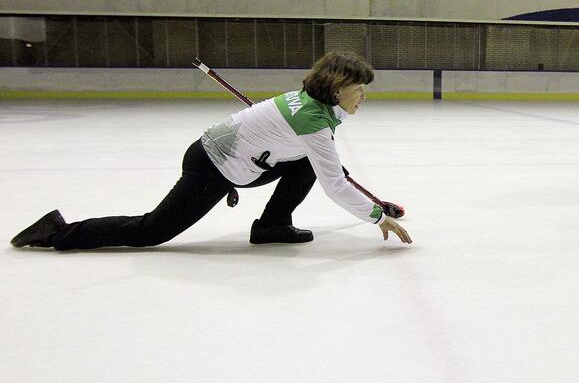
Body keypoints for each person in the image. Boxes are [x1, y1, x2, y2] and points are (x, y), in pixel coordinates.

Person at [11, 51, 412, 250]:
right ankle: (56, 231)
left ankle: (271, 226)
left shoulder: (310, 101)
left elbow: (327, 163)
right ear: (338, 88)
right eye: (359, 90)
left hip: (240, 160)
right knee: (153, 231)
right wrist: (376, 215)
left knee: (313, 162)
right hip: (212, 166)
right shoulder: (313, 120)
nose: (362, 97)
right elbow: (334, 184)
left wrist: (344, 178)